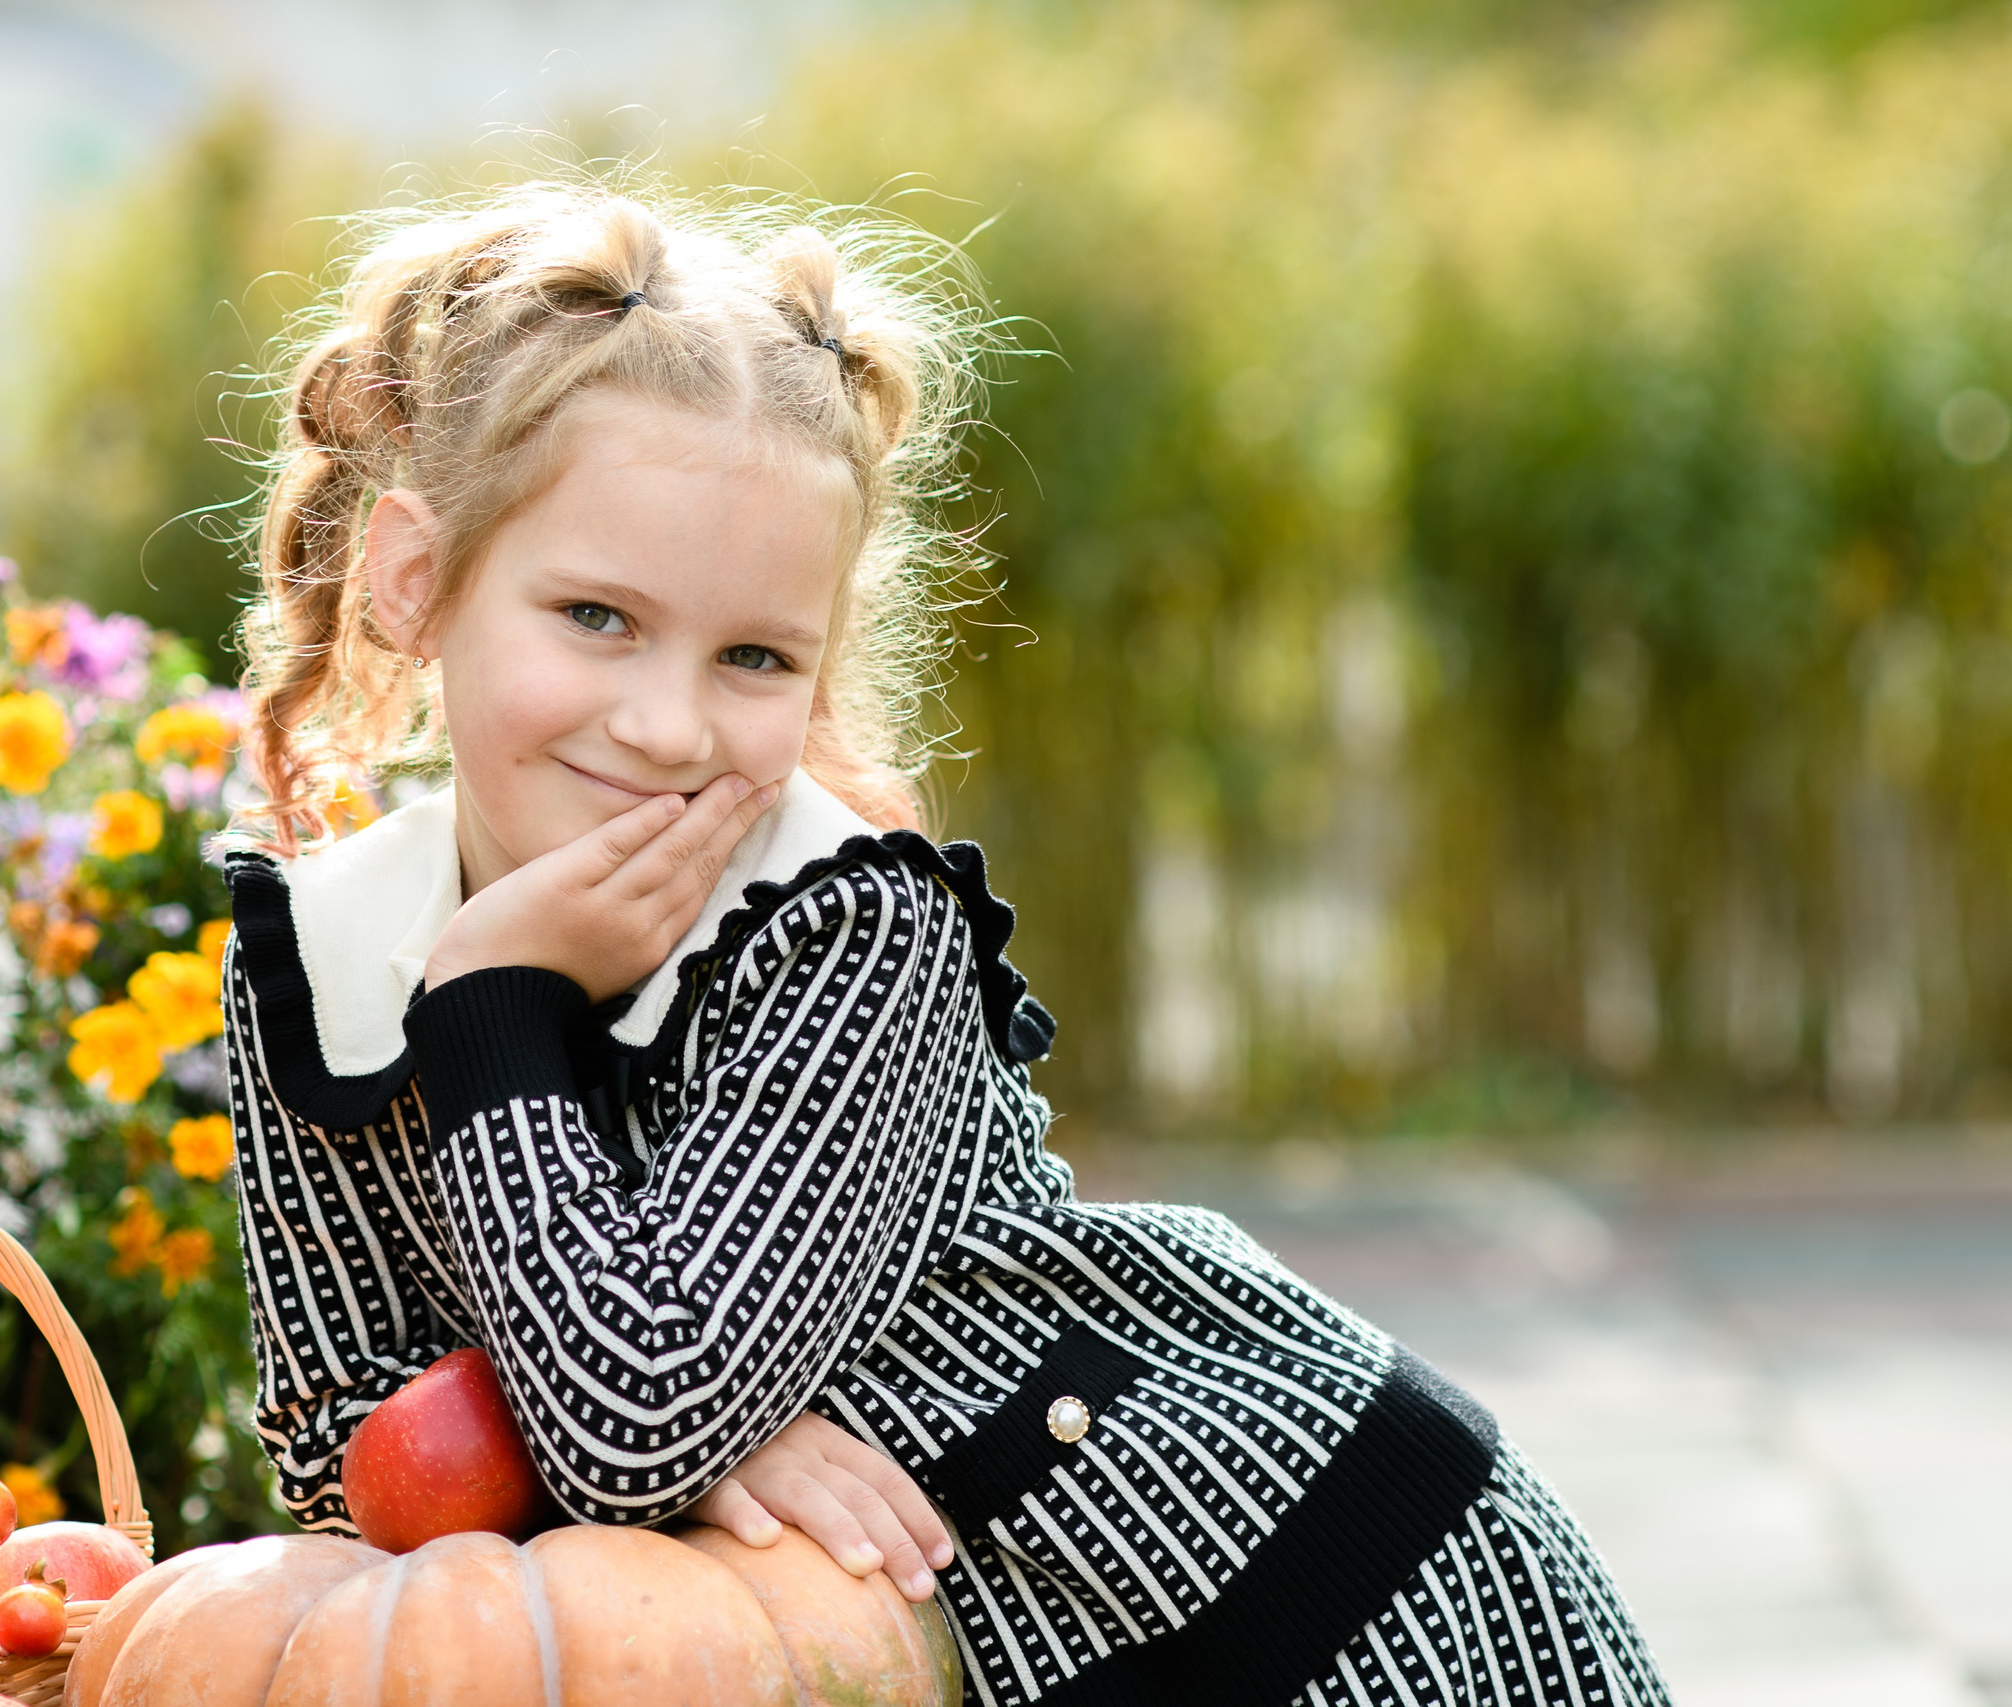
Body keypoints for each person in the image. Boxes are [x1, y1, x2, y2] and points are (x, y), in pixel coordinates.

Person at [215, 179, 1668, 1707]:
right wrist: (704, 1448)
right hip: (935, 1637)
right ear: (414, 582)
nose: (665, 724)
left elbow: (633, 1412)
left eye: (755, 656)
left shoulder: (846, 926)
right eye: (595, 616)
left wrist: (497, 1010)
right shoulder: (322, 959)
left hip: (1295, 1598)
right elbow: (344, 1442)